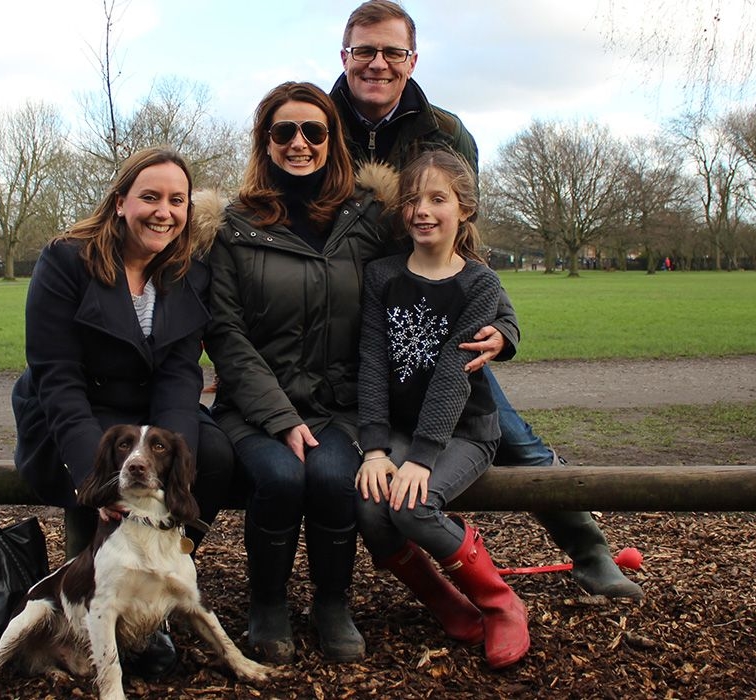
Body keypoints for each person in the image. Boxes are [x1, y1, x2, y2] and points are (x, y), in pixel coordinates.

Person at [331, 0, 642, 599]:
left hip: (438, 312)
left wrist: (504, 324)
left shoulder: (443, 132)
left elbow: (466, 240)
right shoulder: (316, 122)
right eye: (364, 51)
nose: (377, 63)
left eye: (392, 52)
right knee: (350, 449)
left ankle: (588, 550)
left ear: (412, 59)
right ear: (345, 56)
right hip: (352, 308)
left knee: (507, 432)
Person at [10, 147, 234, 678]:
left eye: (177, 201)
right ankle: (91, 611)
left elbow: (181, 374)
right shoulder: (66, 260)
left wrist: (170, 466)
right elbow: (56, 377)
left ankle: (151, 603)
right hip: (71, 414)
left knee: (219, 459)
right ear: (119, 203)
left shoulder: (186, 271)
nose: (164, 212)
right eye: (150, 197)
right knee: (105, 487)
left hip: (146, 418)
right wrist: (102, 478)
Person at [201, 81, 398, 664]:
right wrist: (279, 416)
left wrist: (500, 325)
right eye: (284, 131)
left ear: (332, 139)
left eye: (314, 130)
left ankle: (333, 602)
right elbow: (226, 334)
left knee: (335, 477)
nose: (299, 143)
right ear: (266, 141)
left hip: (338, 406)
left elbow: (442, 263)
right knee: (283, 479)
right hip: (256, 410)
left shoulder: (367, 220)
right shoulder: (235, 229)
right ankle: (268, 603)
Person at [356, 149, 528, 669]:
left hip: (464, 433)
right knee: (369, 504)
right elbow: (371, 362)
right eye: (412, 199)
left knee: (412, 506)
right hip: (402, 434)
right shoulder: (382, 275)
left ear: (464, 210)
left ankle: (500, 604)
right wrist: (375, 449)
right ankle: (442, 599)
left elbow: (455, 376)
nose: (422, 210)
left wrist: (422, 457)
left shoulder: (479, 284)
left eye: (438, 199)